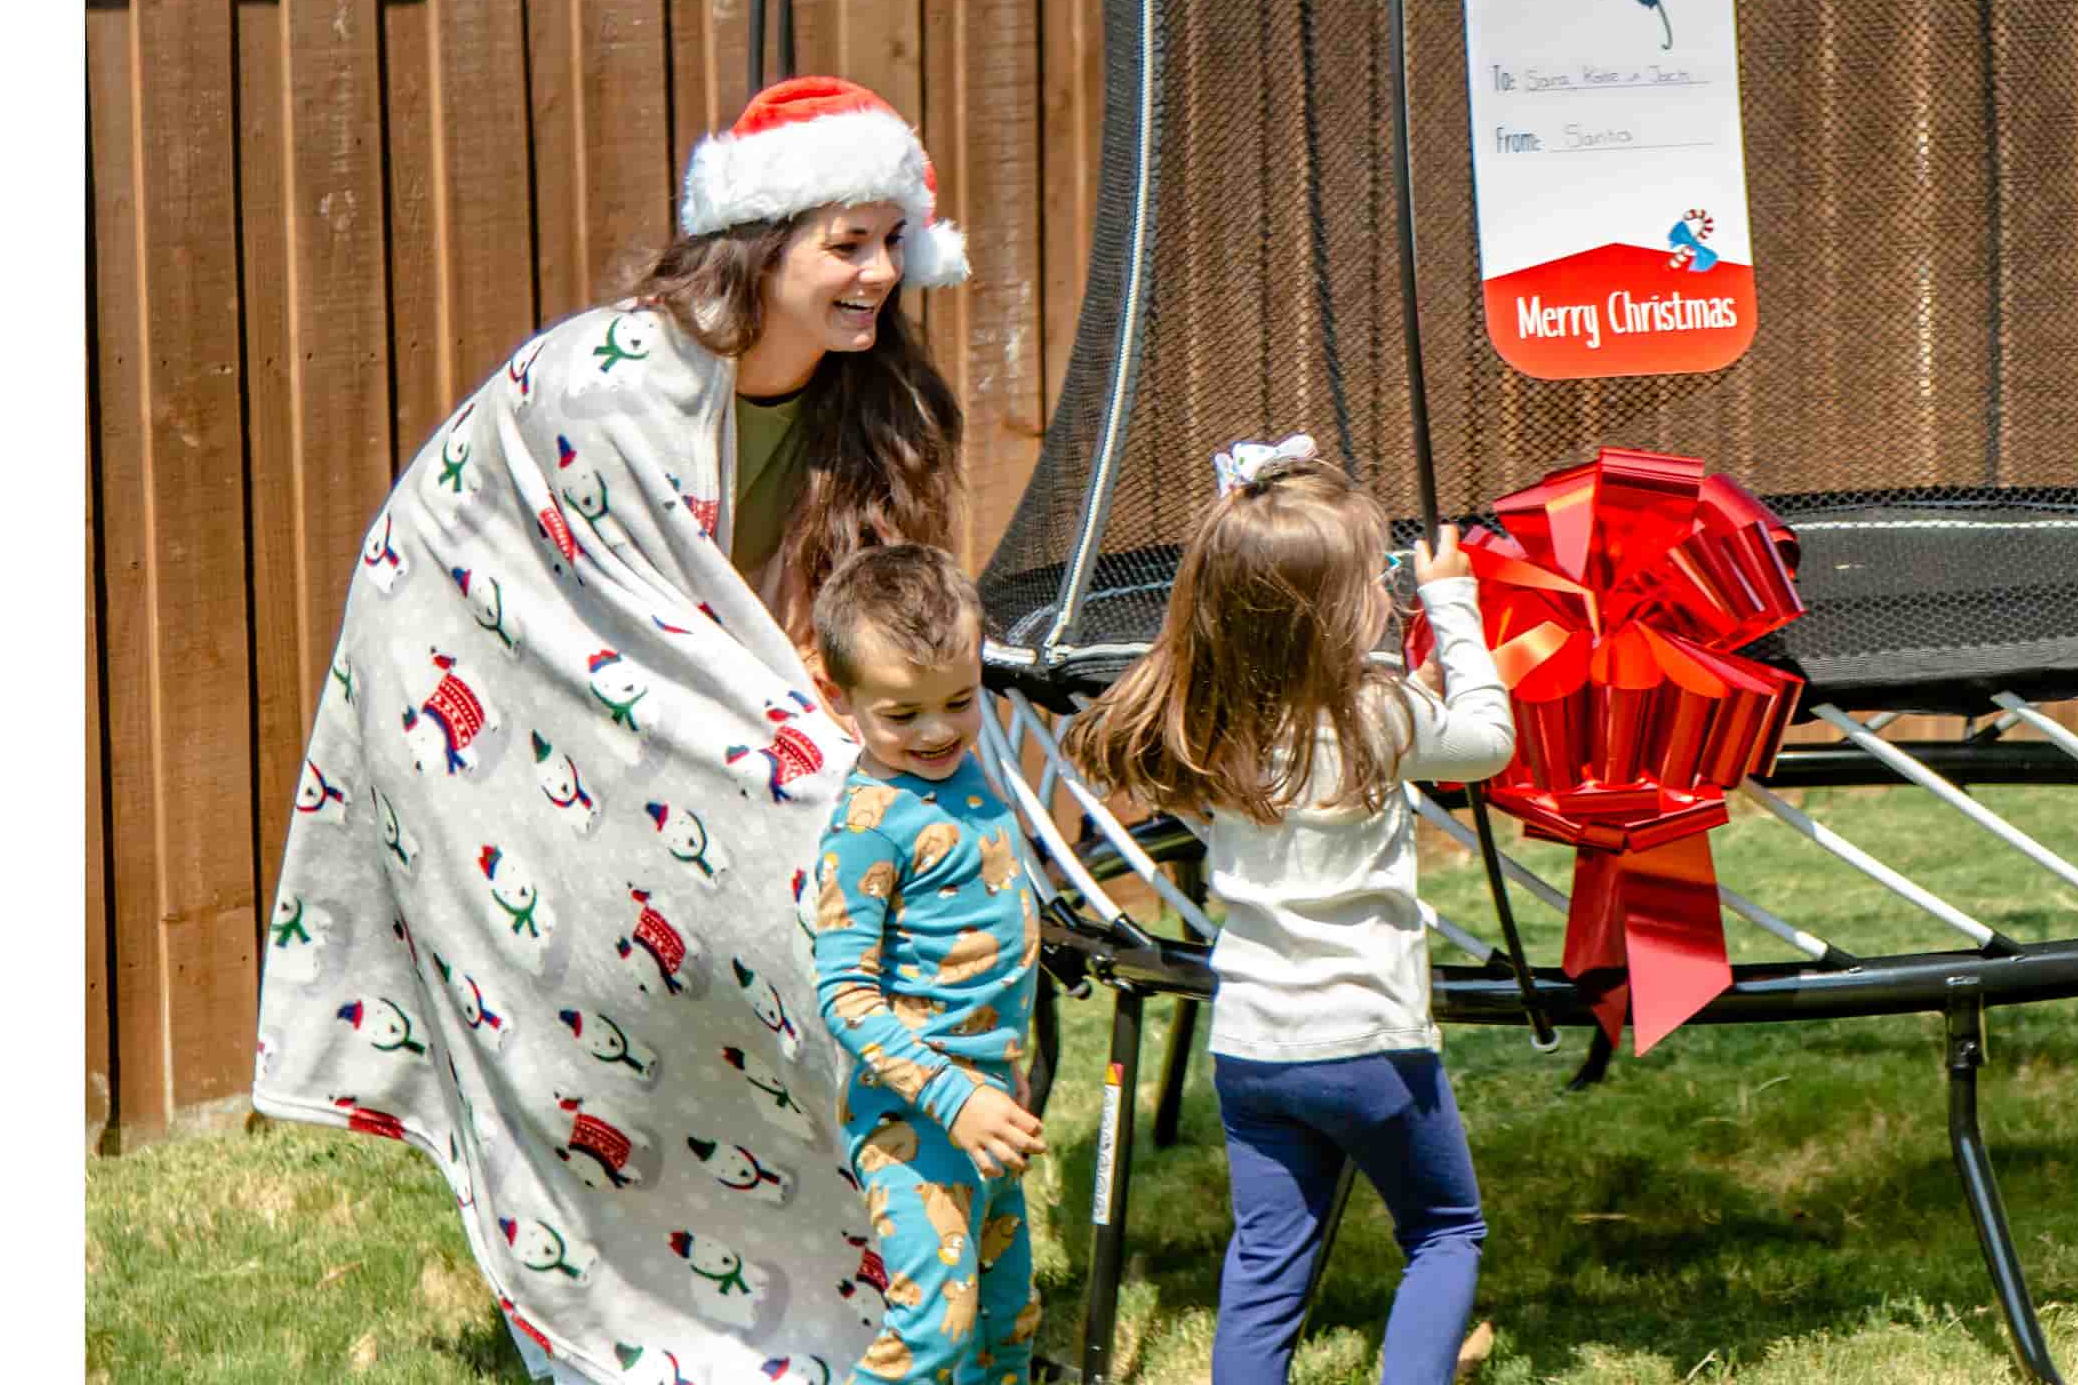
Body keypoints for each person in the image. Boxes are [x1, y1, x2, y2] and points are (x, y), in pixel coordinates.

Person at [254, 74, 972, 1384]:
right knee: (634, 965)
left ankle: (859, 1275)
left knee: (866, 856)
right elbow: (602, 609)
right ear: (764, 243)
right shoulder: (609, 383)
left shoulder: (867, 400)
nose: (881, 271)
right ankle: (636, 1295)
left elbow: (829, 618)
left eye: (892, 239)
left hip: (686, 710)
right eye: (846, 242)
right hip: (489, 681)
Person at [1065, 443, 1512, 1385]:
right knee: (1444, 1231)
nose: (1388, 592)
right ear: (1340, 611)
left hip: (1255, 1049)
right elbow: (1487, 743)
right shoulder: (1378, 715)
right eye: (1376, 579)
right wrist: (1453, 603)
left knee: (1267, 1268)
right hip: (1373, 1047)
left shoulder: (1207, 717)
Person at [807, 543, 1047, 1384]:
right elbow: (843, 994)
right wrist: (957, 1097)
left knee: (1006, 1318)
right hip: (918, 1123)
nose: (938, 730)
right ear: (838, 700)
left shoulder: (960, 771)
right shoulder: (868, 825)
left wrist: (999, 1080)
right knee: (933, 1334)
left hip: (991, 1102)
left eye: (960, 700)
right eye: (903, 715)